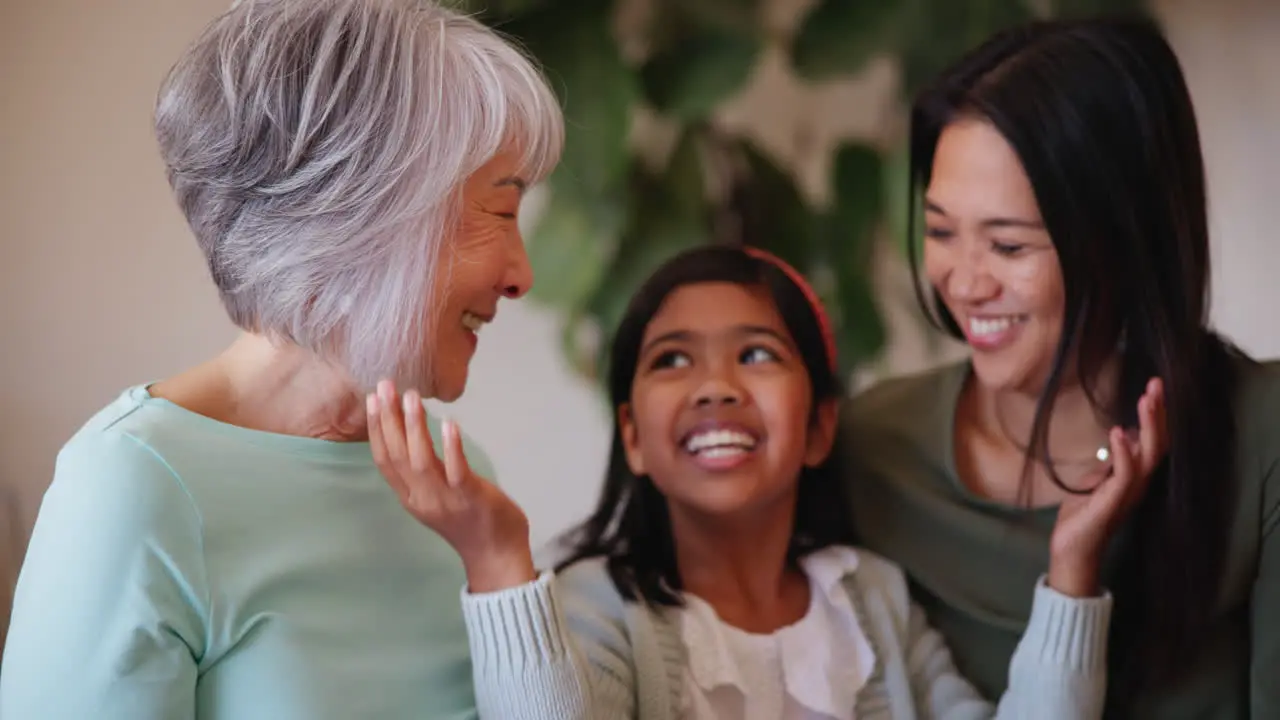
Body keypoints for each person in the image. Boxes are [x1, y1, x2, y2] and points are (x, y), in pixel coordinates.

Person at [0, 0, 562, 717]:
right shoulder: (135, 487)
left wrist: (501, 562)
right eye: (501, 213)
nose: (521, 275)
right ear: (364, 213)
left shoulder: (461, 486)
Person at [370, 245, 1161, 719]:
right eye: (672, 360)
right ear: (634, 438)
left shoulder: (874, 600)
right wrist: (500, 565)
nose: (715, 387)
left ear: (819, 427)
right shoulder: (598, 603)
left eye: (756, 354)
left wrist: (1071, 570)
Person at [839, 15, 1280, 719]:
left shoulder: (1262, 436)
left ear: (1126, 242)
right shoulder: (868, 450)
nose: (965, 282)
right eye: (940, 231)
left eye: (1009, 247)